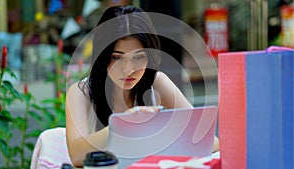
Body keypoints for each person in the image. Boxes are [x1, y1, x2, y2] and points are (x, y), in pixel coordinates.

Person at [66, 5, 219, 167]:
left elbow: (211, 142)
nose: (128, 69)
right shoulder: (80, 93)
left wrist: (162, 130)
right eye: (117, 58)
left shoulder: (157, 82)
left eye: (138, 57)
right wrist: (122, 125)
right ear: (102, 57)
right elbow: (76, 155)